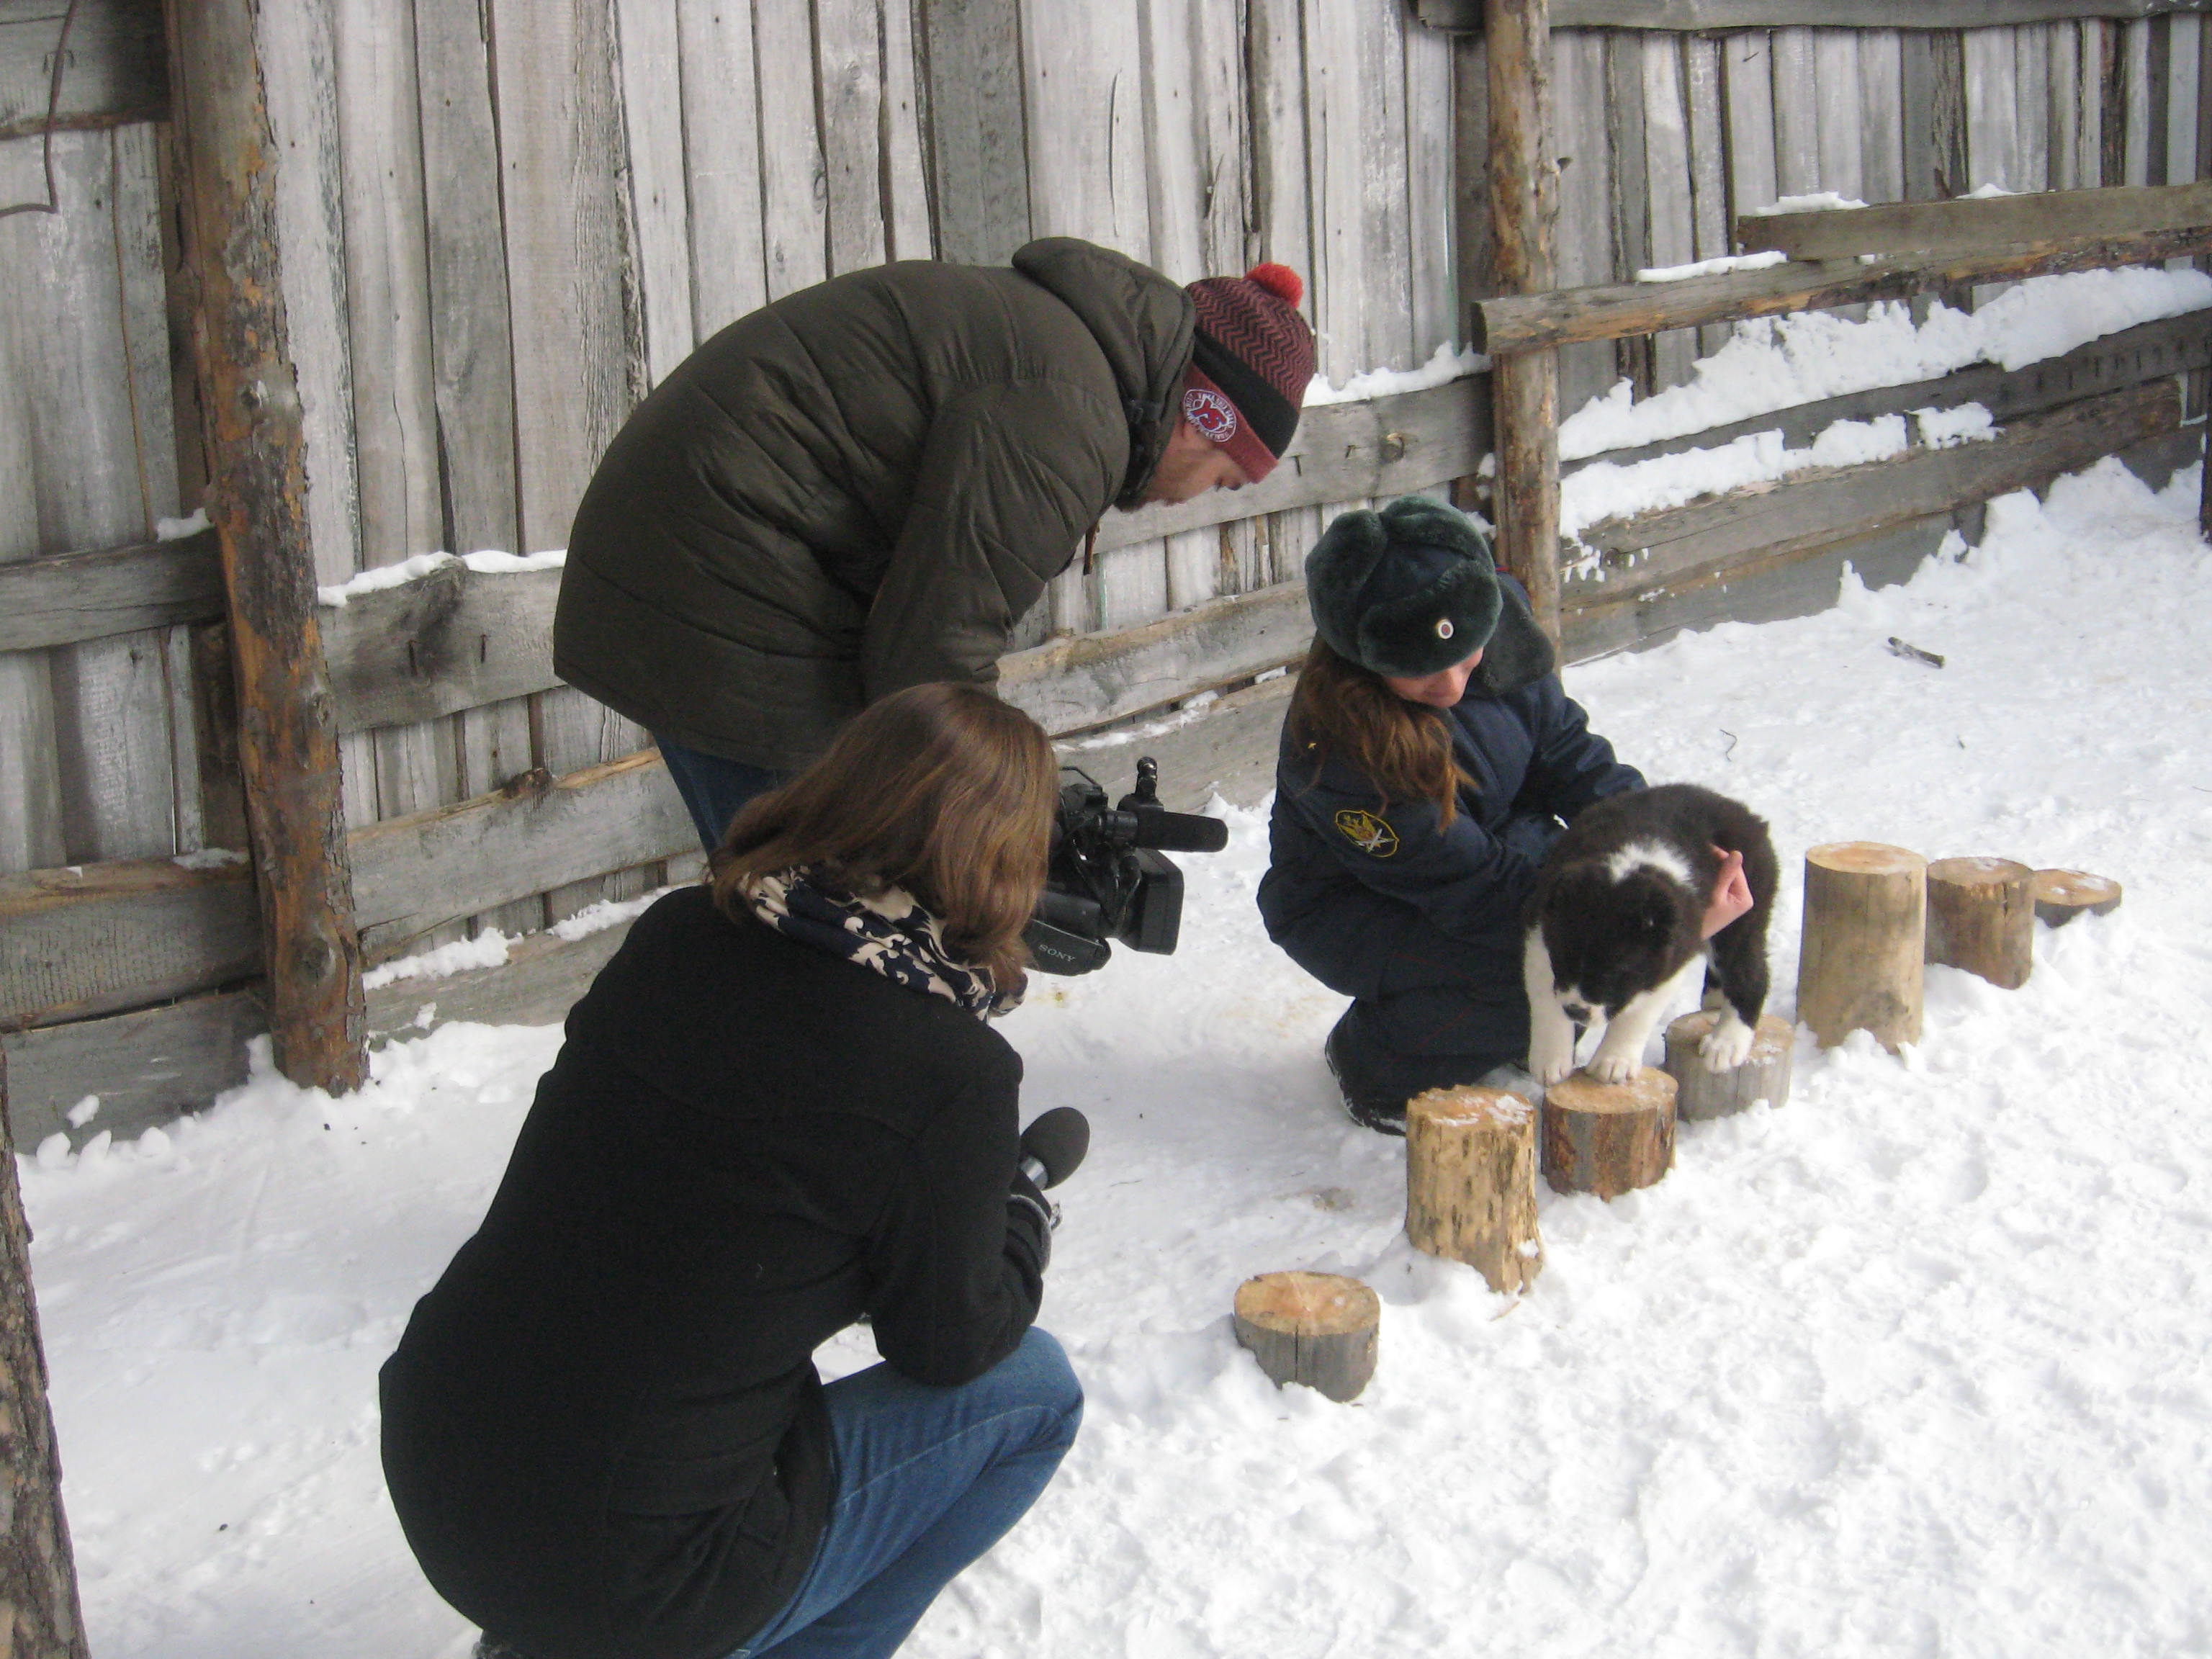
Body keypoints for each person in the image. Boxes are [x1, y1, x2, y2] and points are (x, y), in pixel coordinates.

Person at [380, 683, 1084, 1659]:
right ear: (1002, 868)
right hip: (631, 1568)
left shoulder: (680, 933)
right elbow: (948, 1345)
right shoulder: (949, 1073)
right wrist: (1019, 1217)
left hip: (439, 1453)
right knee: (1038, 1395)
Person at [552, 240, 1317, 852]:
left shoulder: (1079, 370)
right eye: (1222, 480)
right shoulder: (1069, 416)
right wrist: (1009, 819)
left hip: (706, 552)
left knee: (805, 887)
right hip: (716, 573)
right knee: (809, 906)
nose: (1191, 500)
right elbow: (931, 656)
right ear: (1205, 418)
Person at [1256, 496, 1750, 1134]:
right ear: (1362, 657)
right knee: (1553, 987)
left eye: (1467, 658)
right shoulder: (1342, 753)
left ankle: (1474, 1021)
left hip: (1488, 843)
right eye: (1420, 673)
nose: (1454, 686)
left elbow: (1568, 754)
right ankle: (1377, 1062)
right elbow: (1474, 887)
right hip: (1353, 906)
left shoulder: (1497, 626)